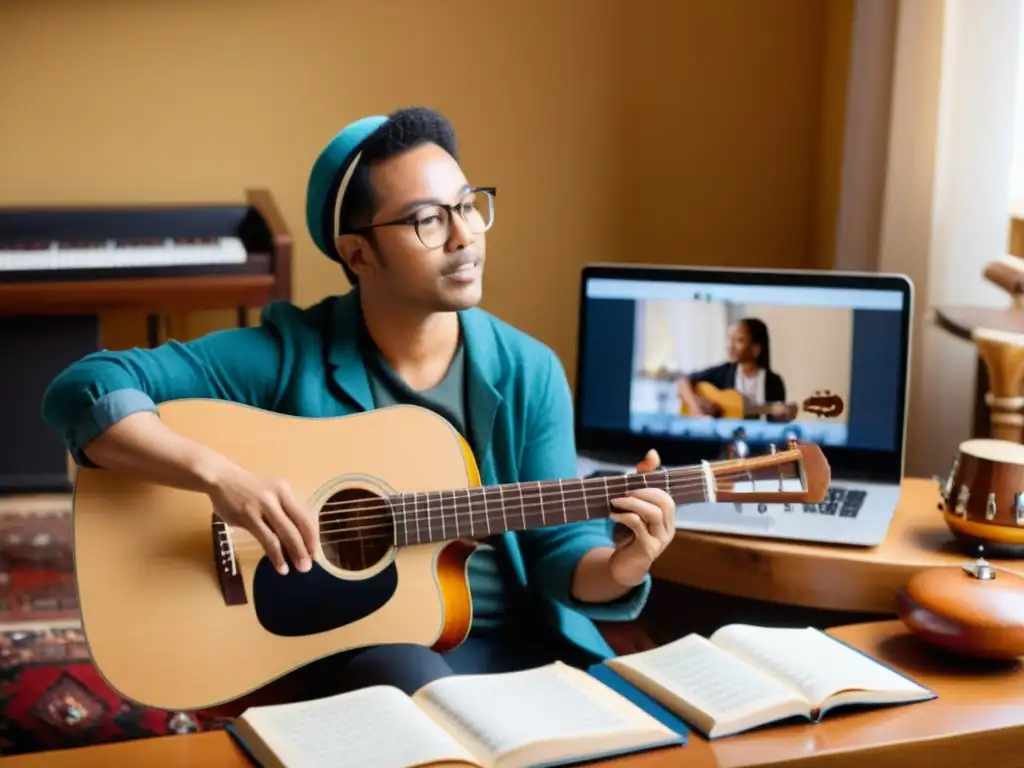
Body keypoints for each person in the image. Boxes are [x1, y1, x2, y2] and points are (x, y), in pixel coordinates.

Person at [40, 107, 677, 703]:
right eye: (429, 219)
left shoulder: (528, 370)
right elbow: (85, 386)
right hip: (353, 657)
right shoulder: (288, 353)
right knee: (405, 674)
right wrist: (220, 478)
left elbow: (561, 557)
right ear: (358, 254)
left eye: (468, 207)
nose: (464, 236)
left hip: (520, 650)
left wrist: (622, 564)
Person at [676, 317, 794, 422]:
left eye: (739, 340)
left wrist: (782, 414)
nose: (730, 346)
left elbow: (776, 424)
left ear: (756, 348)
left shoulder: (773, 382)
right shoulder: (725, 372)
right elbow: (682, 382)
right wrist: (698, 409)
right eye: (729, 339)